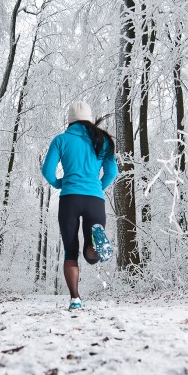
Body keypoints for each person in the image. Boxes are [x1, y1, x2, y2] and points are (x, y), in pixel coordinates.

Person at [42, 101, 118, 311]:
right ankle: (94, 245)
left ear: (70, 120)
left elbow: (47, 170)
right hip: (95, 199)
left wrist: (60, 183)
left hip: (70, 198)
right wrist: (97, 188)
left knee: (71, 252)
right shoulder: (102, 141)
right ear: (90, 119)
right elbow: (112, 172)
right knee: (90, 255)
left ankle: (75, 299)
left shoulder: (61, 140)